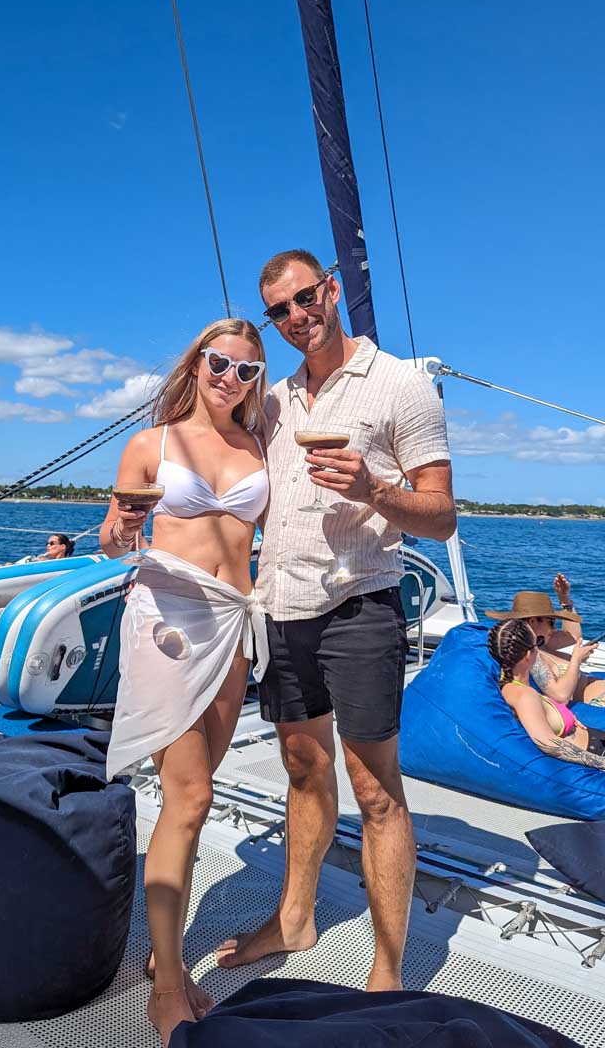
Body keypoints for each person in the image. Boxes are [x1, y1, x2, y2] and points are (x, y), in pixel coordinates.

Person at [217, 250, 456, 992]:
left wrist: (375, 489)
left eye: (304, 298)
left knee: (375, 788)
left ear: (333, 288)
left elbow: (443, 516)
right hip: (282, 610)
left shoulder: (401, 386)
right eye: (279, 311)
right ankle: (295, 917)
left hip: (359, 607)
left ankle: (387, 969)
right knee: (302, 768)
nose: (296, 317)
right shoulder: (278, 398)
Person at [100, 318, 270, 1046]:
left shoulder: (260, 446)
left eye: (246, 371)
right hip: (168, 624)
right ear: (195, 362)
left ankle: (160, 952)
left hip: (234, 627)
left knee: (190, 805)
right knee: (190, 794)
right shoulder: (153, 444)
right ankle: (167, 983)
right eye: (218, 361)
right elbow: (114, 535)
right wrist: (121, 528)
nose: (229, 377)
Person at [490, 619, 605, 767]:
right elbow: (546, 742)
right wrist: (601, 763)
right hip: (595, 751)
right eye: (537, 643)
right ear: (528, 654)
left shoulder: (519, 688)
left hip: (595, 740)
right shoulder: (523, 694)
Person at [485, 580, 605, 708]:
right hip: (596, 701)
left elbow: (573, 637)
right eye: (551, 622)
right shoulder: (530, 656)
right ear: (533, 621)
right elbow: (560, 697)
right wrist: (576, 659)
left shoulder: (541, 643)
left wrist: (565, 600)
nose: (554, 629)